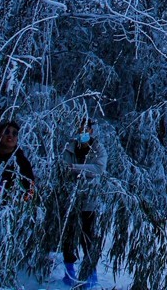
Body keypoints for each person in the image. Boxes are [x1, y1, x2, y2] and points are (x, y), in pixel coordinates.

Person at [59, 119, 107, 288]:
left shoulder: (98, 148)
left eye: (86, 128)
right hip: (70, 197)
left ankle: (89, 272)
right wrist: (80, 169)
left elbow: (99, 169)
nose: (83, 131)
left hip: (89, 199)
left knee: (87, 235)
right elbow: (64, 167)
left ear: (91, 131)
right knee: (69, 234)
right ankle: (69, 271)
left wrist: (75, 168)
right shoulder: (70, 147)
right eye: (80, 128)